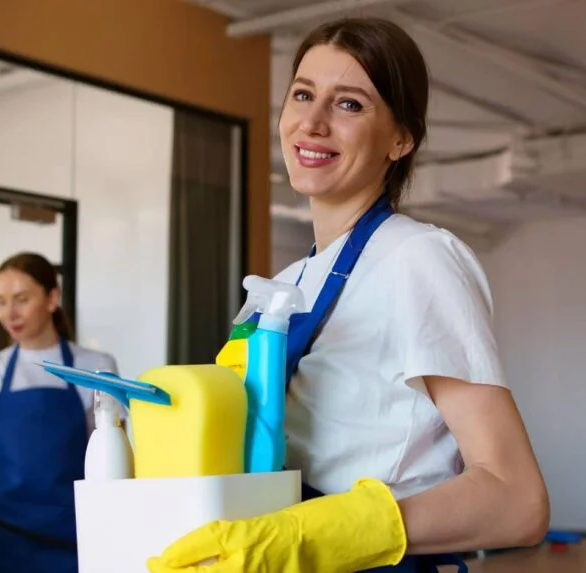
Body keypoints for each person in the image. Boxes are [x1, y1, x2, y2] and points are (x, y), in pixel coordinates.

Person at [146, 16, 550, 573]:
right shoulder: (281, 285)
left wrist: (328, 534)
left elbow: (516, 501)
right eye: (303, 95)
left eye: (349, 104)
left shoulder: (417, 258)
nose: (311, 123)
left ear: (401, 138)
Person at [0, 252, 123, 573]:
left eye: (22, 299)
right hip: (0, 542)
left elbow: (108, 460)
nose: (10, 313)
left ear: (52, 299)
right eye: (1, 301)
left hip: (75, 539)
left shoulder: (96, 367)